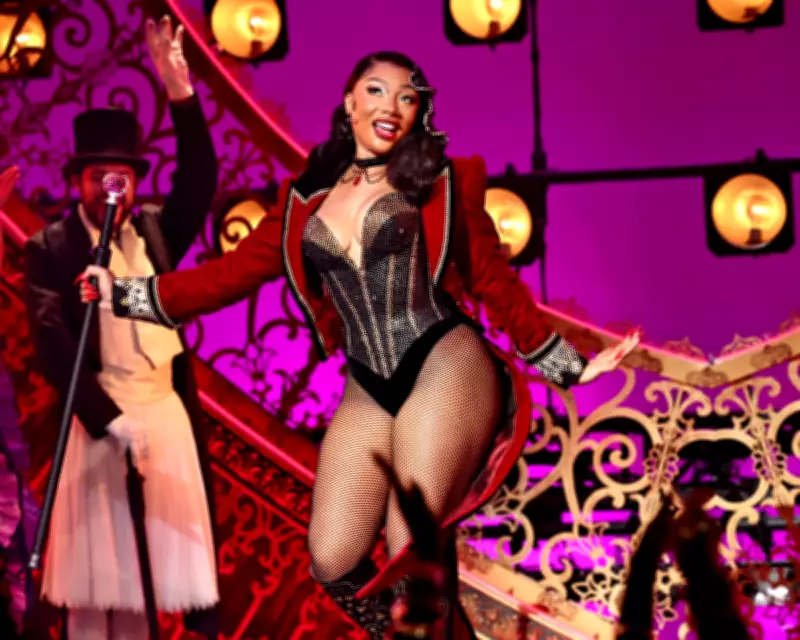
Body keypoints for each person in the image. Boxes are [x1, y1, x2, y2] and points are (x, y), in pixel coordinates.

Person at [81, 51, 639, 638]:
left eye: (406, 96)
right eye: (376, 90)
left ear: (418, 112)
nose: (390, 106)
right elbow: (227, 275)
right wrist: (122, 293)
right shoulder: (302, 201)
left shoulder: (442, 185)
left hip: (444, 358)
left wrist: (568, 365)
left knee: (407, 542)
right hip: (368, 381)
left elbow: (492, 279)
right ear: (349, 102)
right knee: (332, 558)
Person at [24, 17, 219, 640]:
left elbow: (200, 182)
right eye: (99, 178)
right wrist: (109, 420)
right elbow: (54, 346)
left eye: (123, 178)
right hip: (101, 422)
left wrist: (180, 92)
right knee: (94, 586)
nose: (113, 190)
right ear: (76, 181)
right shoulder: (52, 247)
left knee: (142, 588)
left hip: (163, 419)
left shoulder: (155, 232)